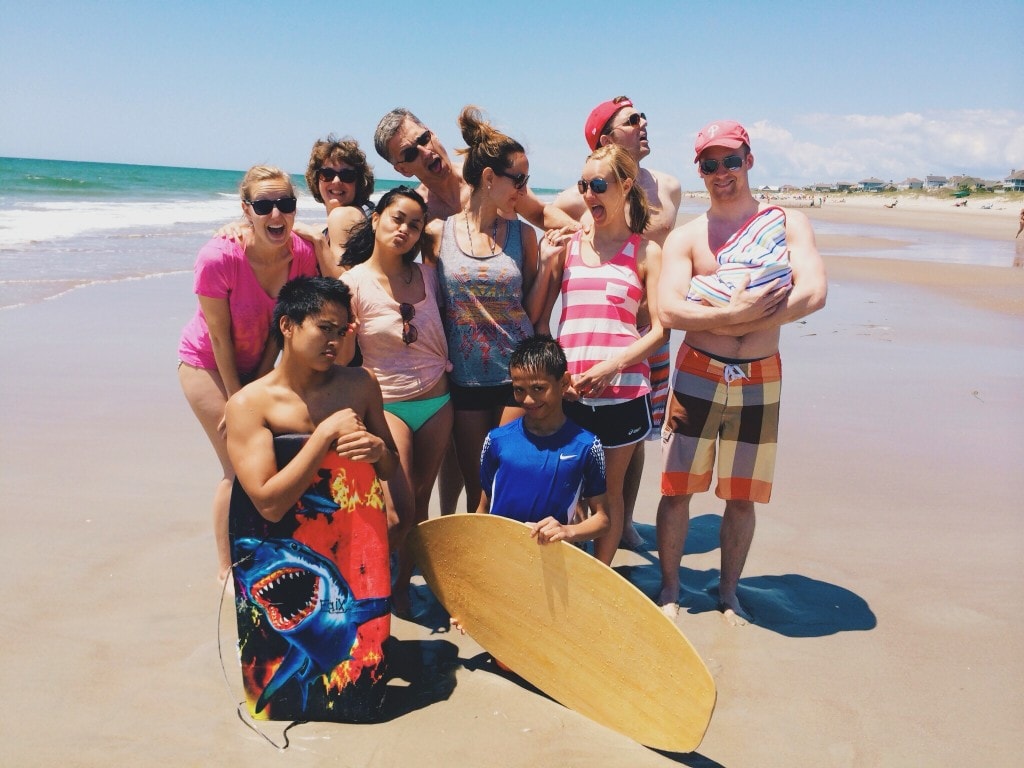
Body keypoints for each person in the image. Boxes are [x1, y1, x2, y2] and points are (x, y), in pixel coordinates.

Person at [655, 120, 827, 624]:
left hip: (760, 373)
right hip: (698, 370)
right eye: (710, 164)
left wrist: (745, 319)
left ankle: (729, 592)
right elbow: (669, 309)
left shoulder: (787, 223)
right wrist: (732, 314)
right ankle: (670, 587)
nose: (722, 172)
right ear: (700, 171)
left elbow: (814, 292)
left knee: (743, 494)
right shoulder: (687, 238)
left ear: (748, 160)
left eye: (731, 160)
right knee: (677, 488)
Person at [178, 165, 321, 579]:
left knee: (271, 459)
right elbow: (219, 338)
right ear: (246, 210)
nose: (276, 214)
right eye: (263, 206)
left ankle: (267, 552)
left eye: (285, 204)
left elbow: (281, 330)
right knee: (237, 465)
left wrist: (259, 382)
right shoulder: (218, 257)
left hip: (260, 363)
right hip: (207, 363)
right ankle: (226, 571)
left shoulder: (302, 255)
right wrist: (238, 399)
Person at [554, 96, 682, 549]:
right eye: (584, 186)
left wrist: (615, 365)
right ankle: (582, 552)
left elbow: (662, 324)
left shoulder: (665, 192)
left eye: (598, 186)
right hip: (574, 380)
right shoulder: (573, 234)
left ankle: (615, 541)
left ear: (624, 186)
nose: (589, 194)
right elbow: (536, 210)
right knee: (570, 484)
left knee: (618, 476)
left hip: (631, 366)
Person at [423, 105, 561, 518]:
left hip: (516, 377)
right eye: (518, 179)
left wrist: (548, 266)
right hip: (464, 380)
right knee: (476, 485)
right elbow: (434, 307)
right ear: (488, 177)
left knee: (506, 482)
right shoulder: (437, 234)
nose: (524, 189)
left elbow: (529, 311)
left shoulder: (524, 235)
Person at [340, 186, 452, 616]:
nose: (404, 229)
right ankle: (364, 585)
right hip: (389, 406)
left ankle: (402, 587)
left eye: (415, 224)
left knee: (420, 503)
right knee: (396, 512)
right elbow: (342, 358)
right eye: (397, 218)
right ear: (376, 219)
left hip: (438, 401)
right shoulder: (352, 283)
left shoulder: (428, 276)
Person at [224, 276, 398, 523]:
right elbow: (270, 507)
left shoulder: (361, 384)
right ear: (287, 326)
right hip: (284, 541)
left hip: (355, 529)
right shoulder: (249, 404)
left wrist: (379, 451)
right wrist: (324, 434)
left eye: (341, 332)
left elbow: (390, 468)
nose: (335, 342)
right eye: (325, 328)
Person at [478, 335, 610, 545]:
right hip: (500, 555)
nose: (528, 399)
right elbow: (483, 508)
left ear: (564, 382)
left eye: (538, 388)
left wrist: (568, 531)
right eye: (519, 390)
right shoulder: (496, 440)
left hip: (552, 556)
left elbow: (602, 519)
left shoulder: (587, 445)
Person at [373, 107, 578, 230]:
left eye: (424, 139)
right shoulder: (420, 213)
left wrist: (582, 233)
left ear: (432, 133)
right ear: (403, 170)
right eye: (410, 154)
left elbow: (540, 214)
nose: (426, 152)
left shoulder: (487, 175)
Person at [304, 135, 376, 271]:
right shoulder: (360, 216)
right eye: (327, 174)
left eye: (347, 175)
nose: (336, 181)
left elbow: (343, 280)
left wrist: (318, 240)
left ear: (359, 183)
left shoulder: (342, 215)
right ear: (316, 179)